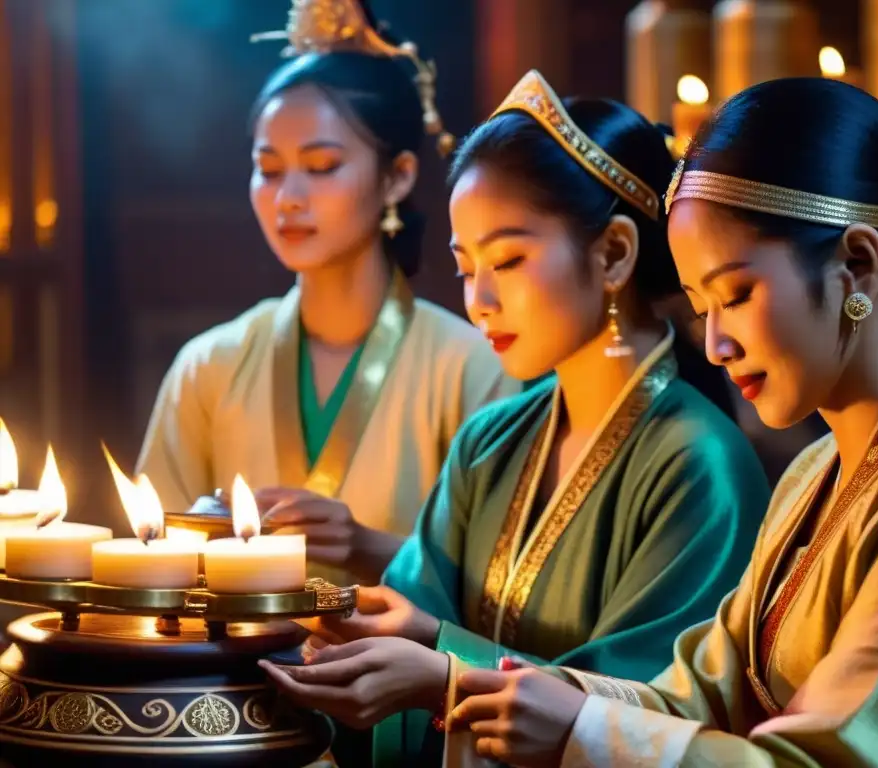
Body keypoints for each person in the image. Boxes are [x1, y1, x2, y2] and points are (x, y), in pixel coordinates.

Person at [440, 76, 878, 767]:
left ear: (859, 265)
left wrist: (581, 733)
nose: (715, 344)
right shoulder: (817, 469)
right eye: (699, 306)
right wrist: (529, 696)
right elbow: (698, 696)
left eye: (736, 294)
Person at [259, 69, 770, 767]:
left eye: (509, 259)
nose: (480, 301)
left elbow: (653, 714)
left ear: (614, 252)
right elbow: (407, 617)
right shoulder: (489, 442)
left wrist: (443, 670)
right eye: (466, 267)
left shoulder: (699, 464)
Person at [136, 0, 516, 586]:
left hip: (406, 677)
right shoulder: (208, 367)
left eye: (320, 166)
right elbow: (149, 559)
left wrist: (369, 547)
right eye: (269, 168)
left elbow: (507, 591)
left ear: (399, 175)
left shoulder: (472, 367)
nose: (287, 196)